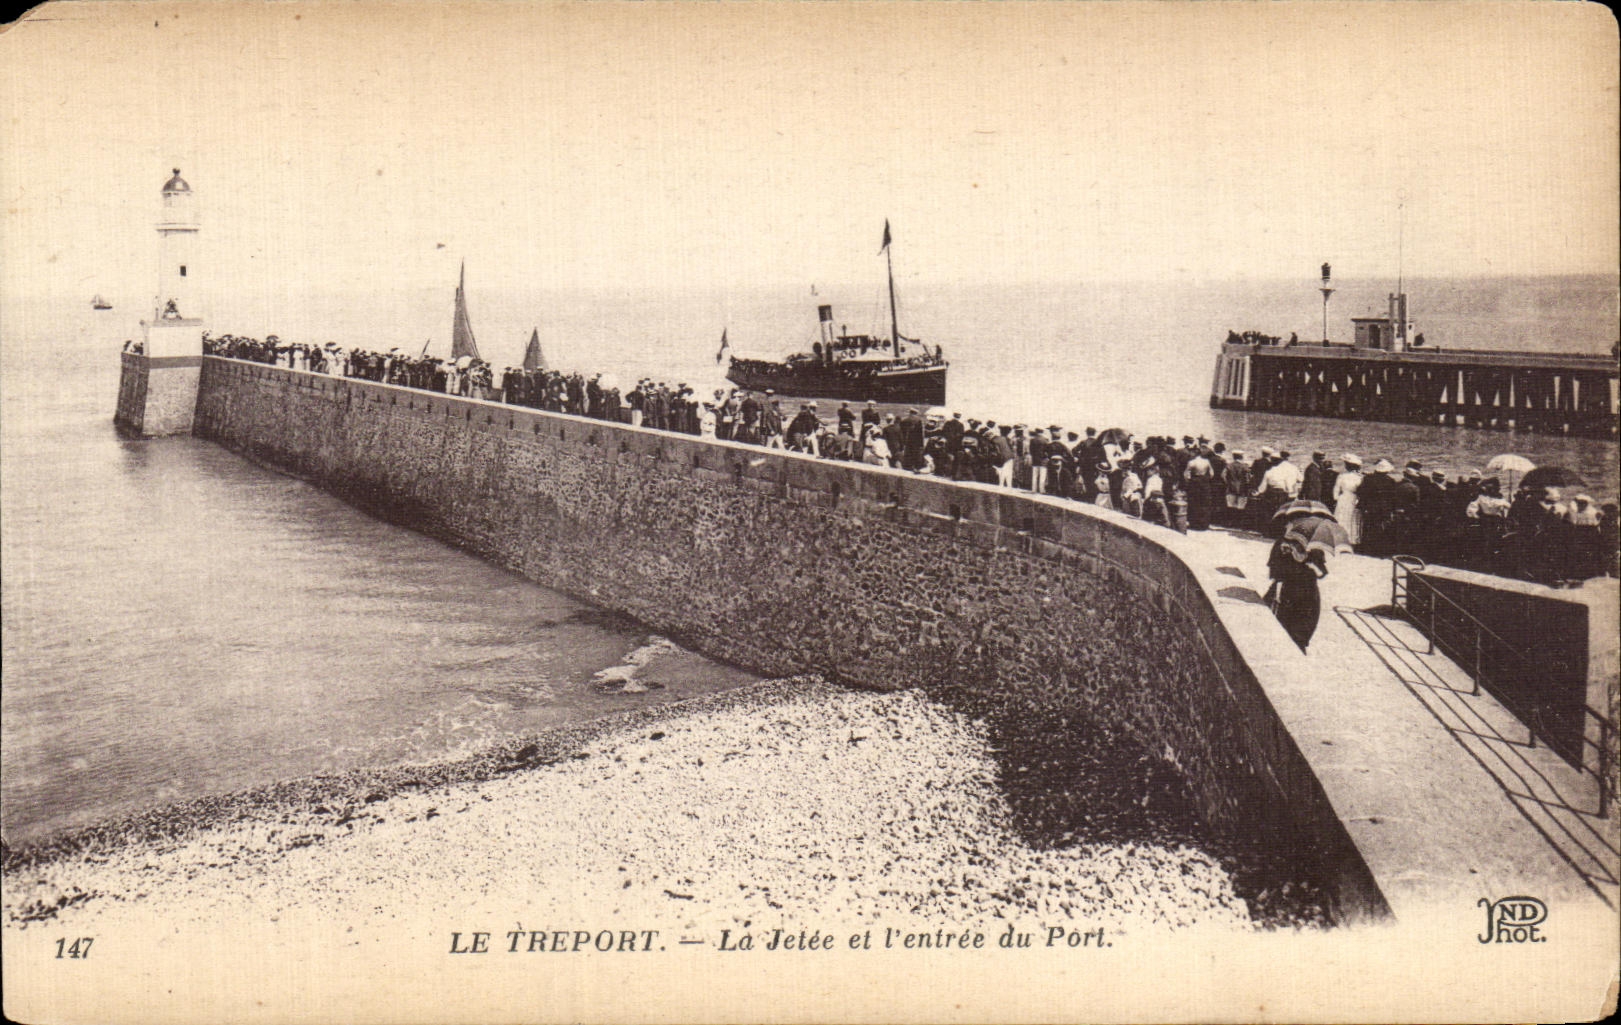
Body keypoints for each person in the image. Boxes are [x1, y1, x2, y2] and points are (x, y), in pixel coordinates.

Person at [1266, 534, 1327, 653]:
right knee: (1284, 627)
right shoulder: (1282, 544)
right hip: (1287, 592)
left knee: (1304, 627)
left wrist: (1312, 566)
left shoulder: (1314, 547)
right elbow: (1275, 572)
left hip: (1308, 593)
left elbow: (1322, 572)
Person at [1332, 454, 1364, 546]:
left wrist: (1336, 499)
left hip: (1343, 498)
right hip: (1354, 499)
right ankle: (1352, 539)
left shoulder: (1341, 476)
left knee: (1341, 517)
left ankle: (1339, 539)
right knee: (1352, 519)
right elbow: (1361, 491)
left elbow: (1336, 490)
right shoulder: (1360, 477)